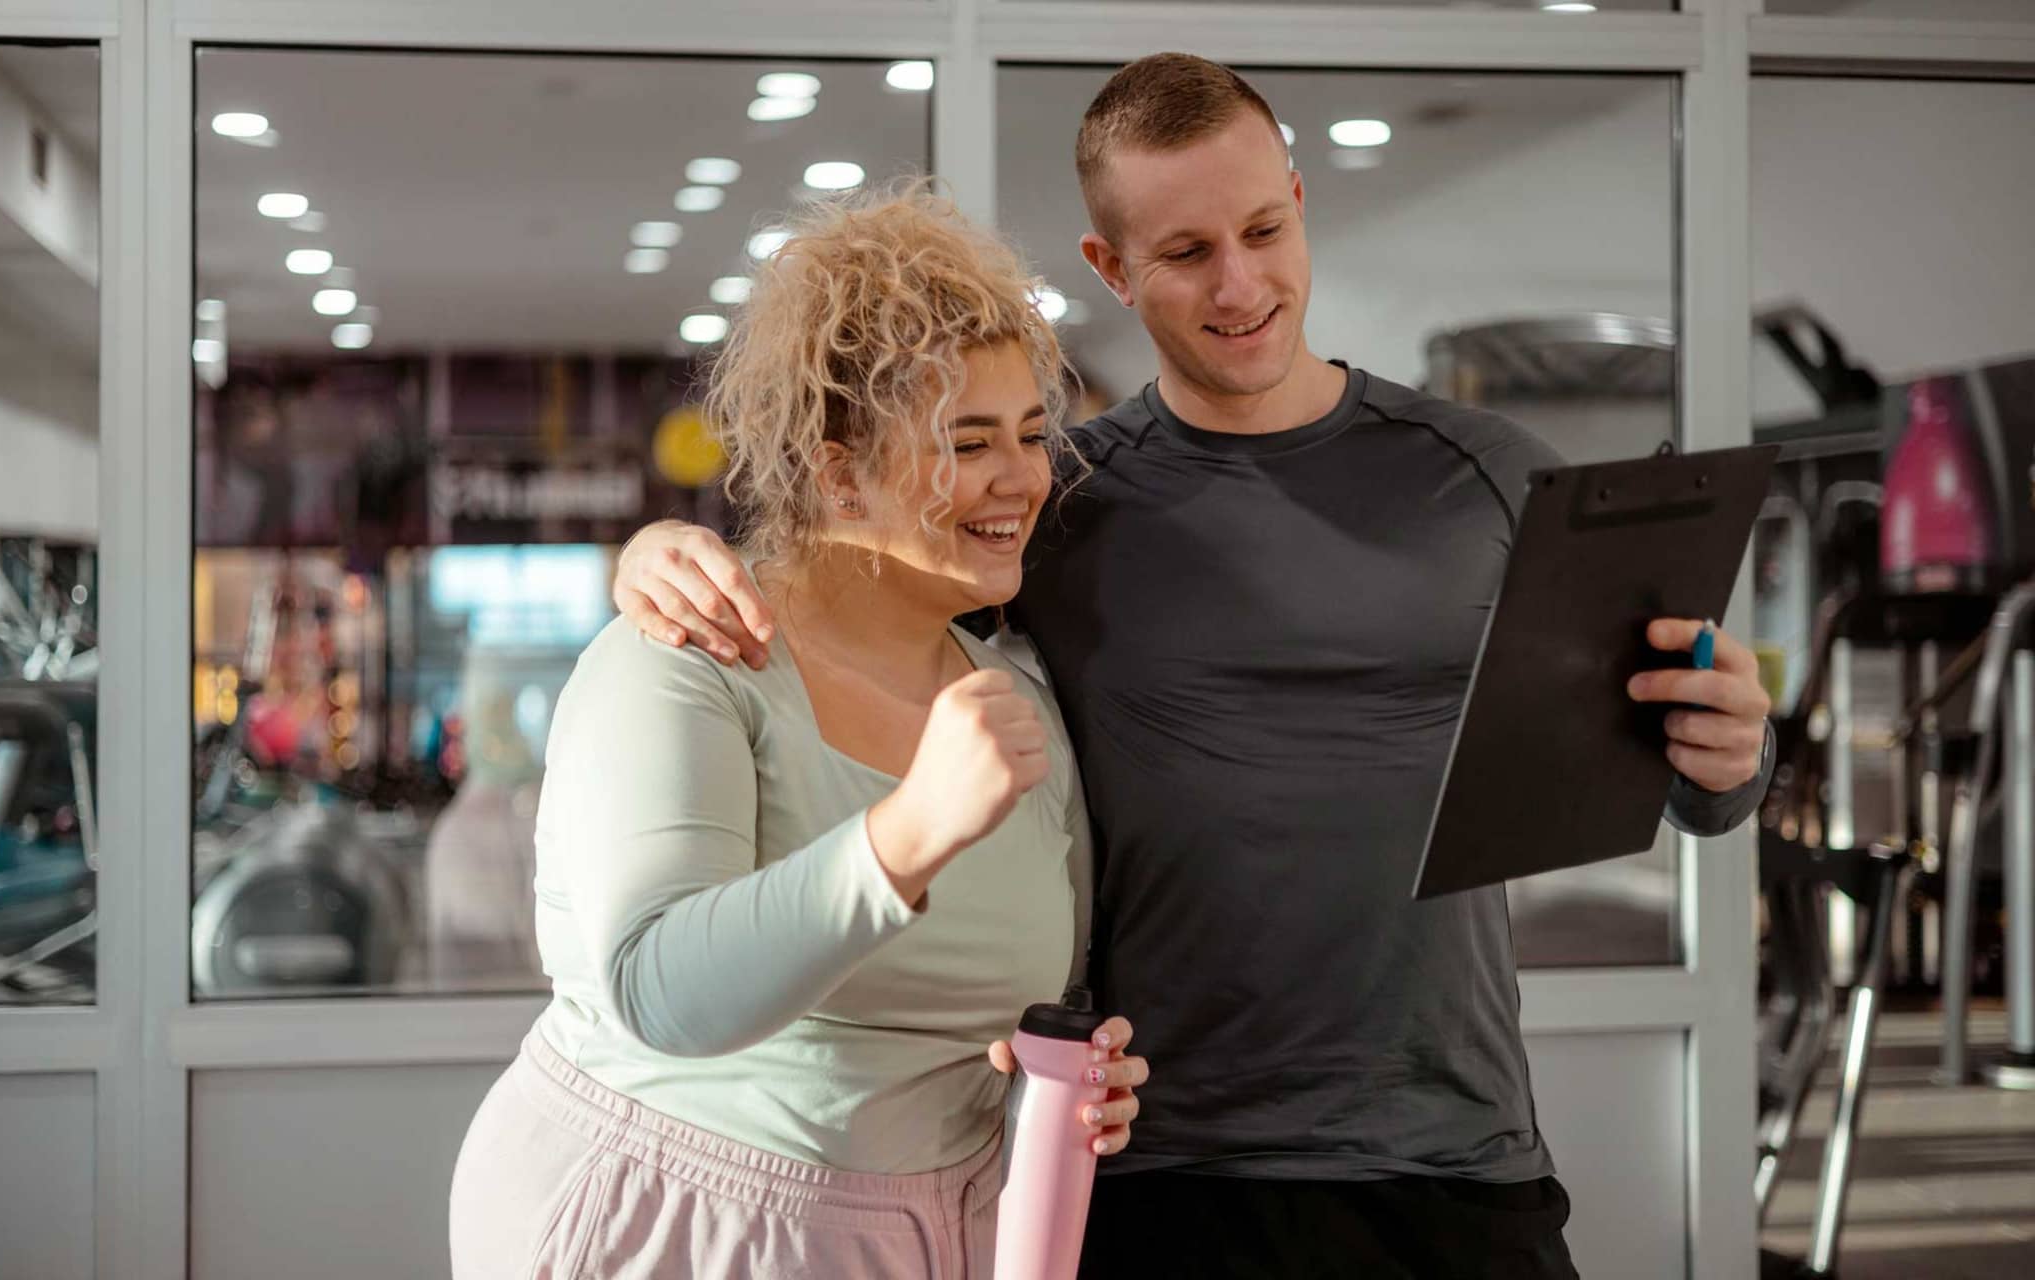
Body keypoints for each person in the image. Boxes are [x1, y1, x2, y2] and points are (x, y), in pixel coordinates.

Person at [610, 54, 1774, 1279]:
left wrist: (1732, 754)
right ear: (1110, 270)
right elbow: (852, 593)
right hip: (1154, 1171)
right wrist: (654, 553)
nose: (1239, 285)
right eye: (1183, 254)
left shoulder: (1488, 476)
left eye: (1262, 229)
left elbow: (1684, 774)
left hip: (1449, 1158)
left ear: (1297, 201)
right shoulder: (1053, 506)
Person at [448, 186, 1148, 1279]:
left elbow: (1001, 1009)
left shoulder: (1017, 690)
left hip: (934, 1230)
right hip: (668, 1221)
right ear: (833, 471)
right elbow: (657, 985)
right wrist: (905, 831)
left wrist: (1062, 1069)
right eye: (966, 441)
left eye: (1027, 433)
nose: (1021, 475)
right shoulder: (680, 654)